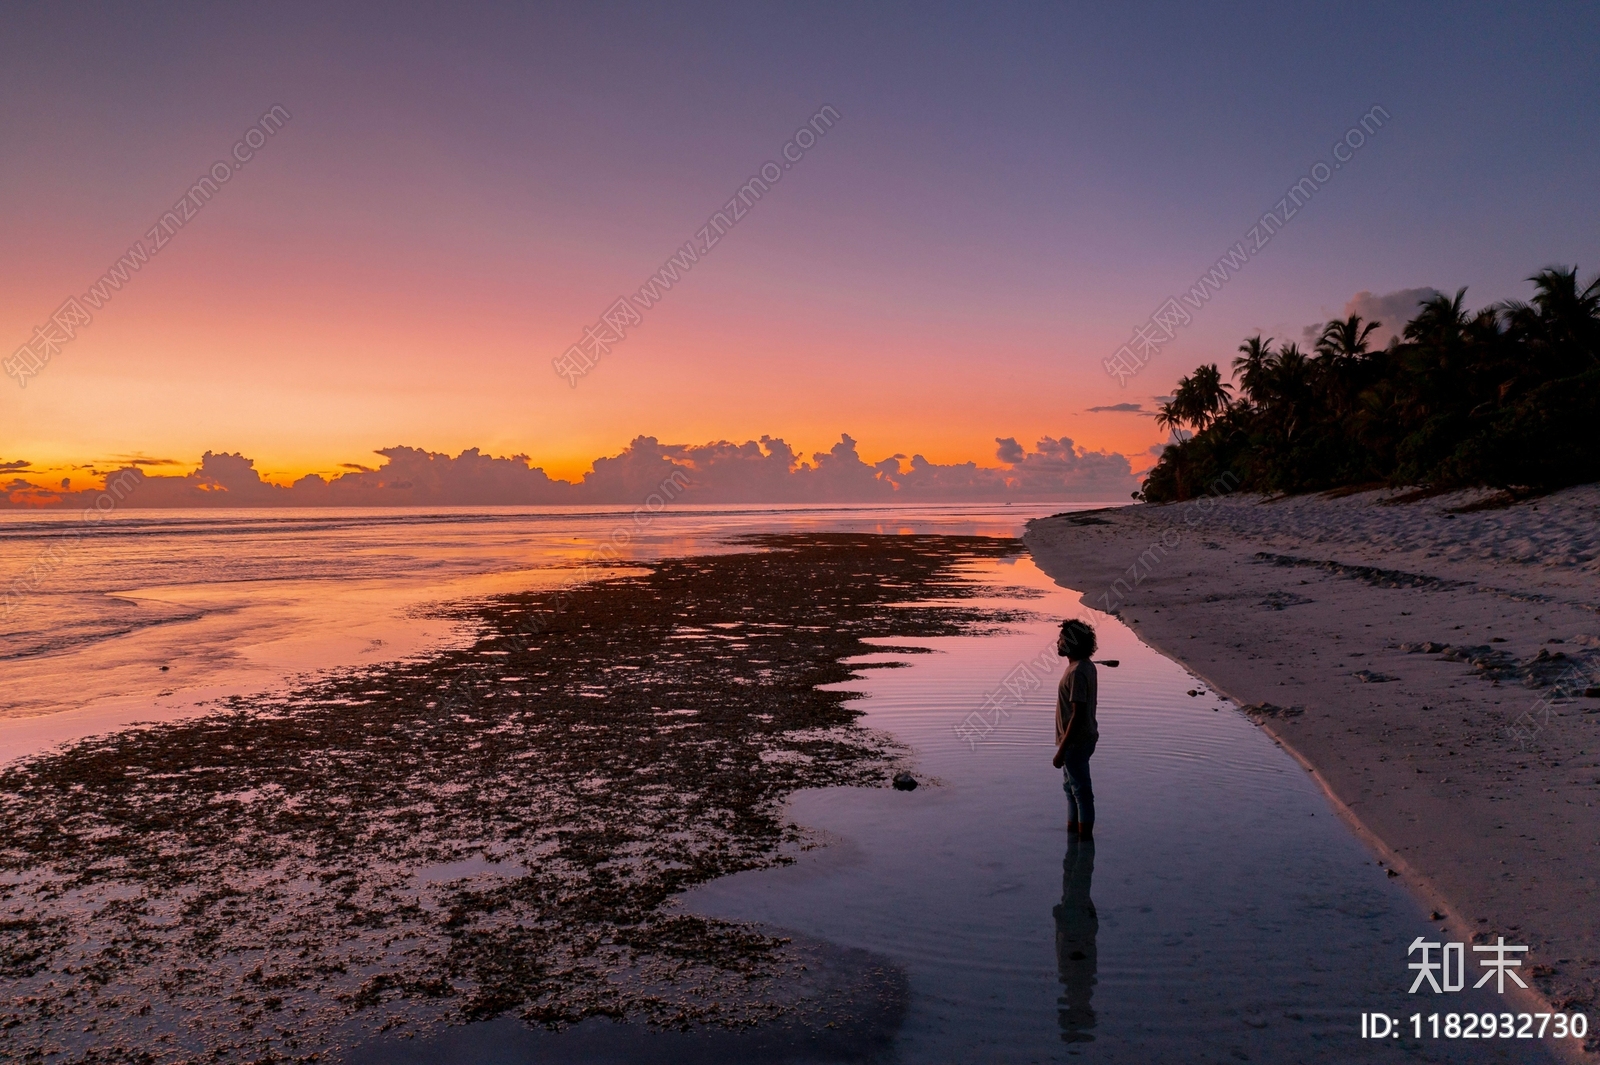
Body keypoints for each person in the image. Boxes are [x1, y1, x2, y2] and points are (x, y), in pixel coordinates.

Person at [1051, 619, 1098, 839]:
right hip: (1081, 739)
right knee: (1071, 790)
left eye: (1061, 639)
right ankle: (1073, 837)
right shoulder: (1085, 666)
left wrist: (1062, 750)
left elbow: (1077, 714)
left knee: (1080, 792)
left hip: (1075, 741)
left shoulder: (1077, 672)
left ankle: (1084, 843)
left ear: (1070, 642)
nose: (1057, 643)